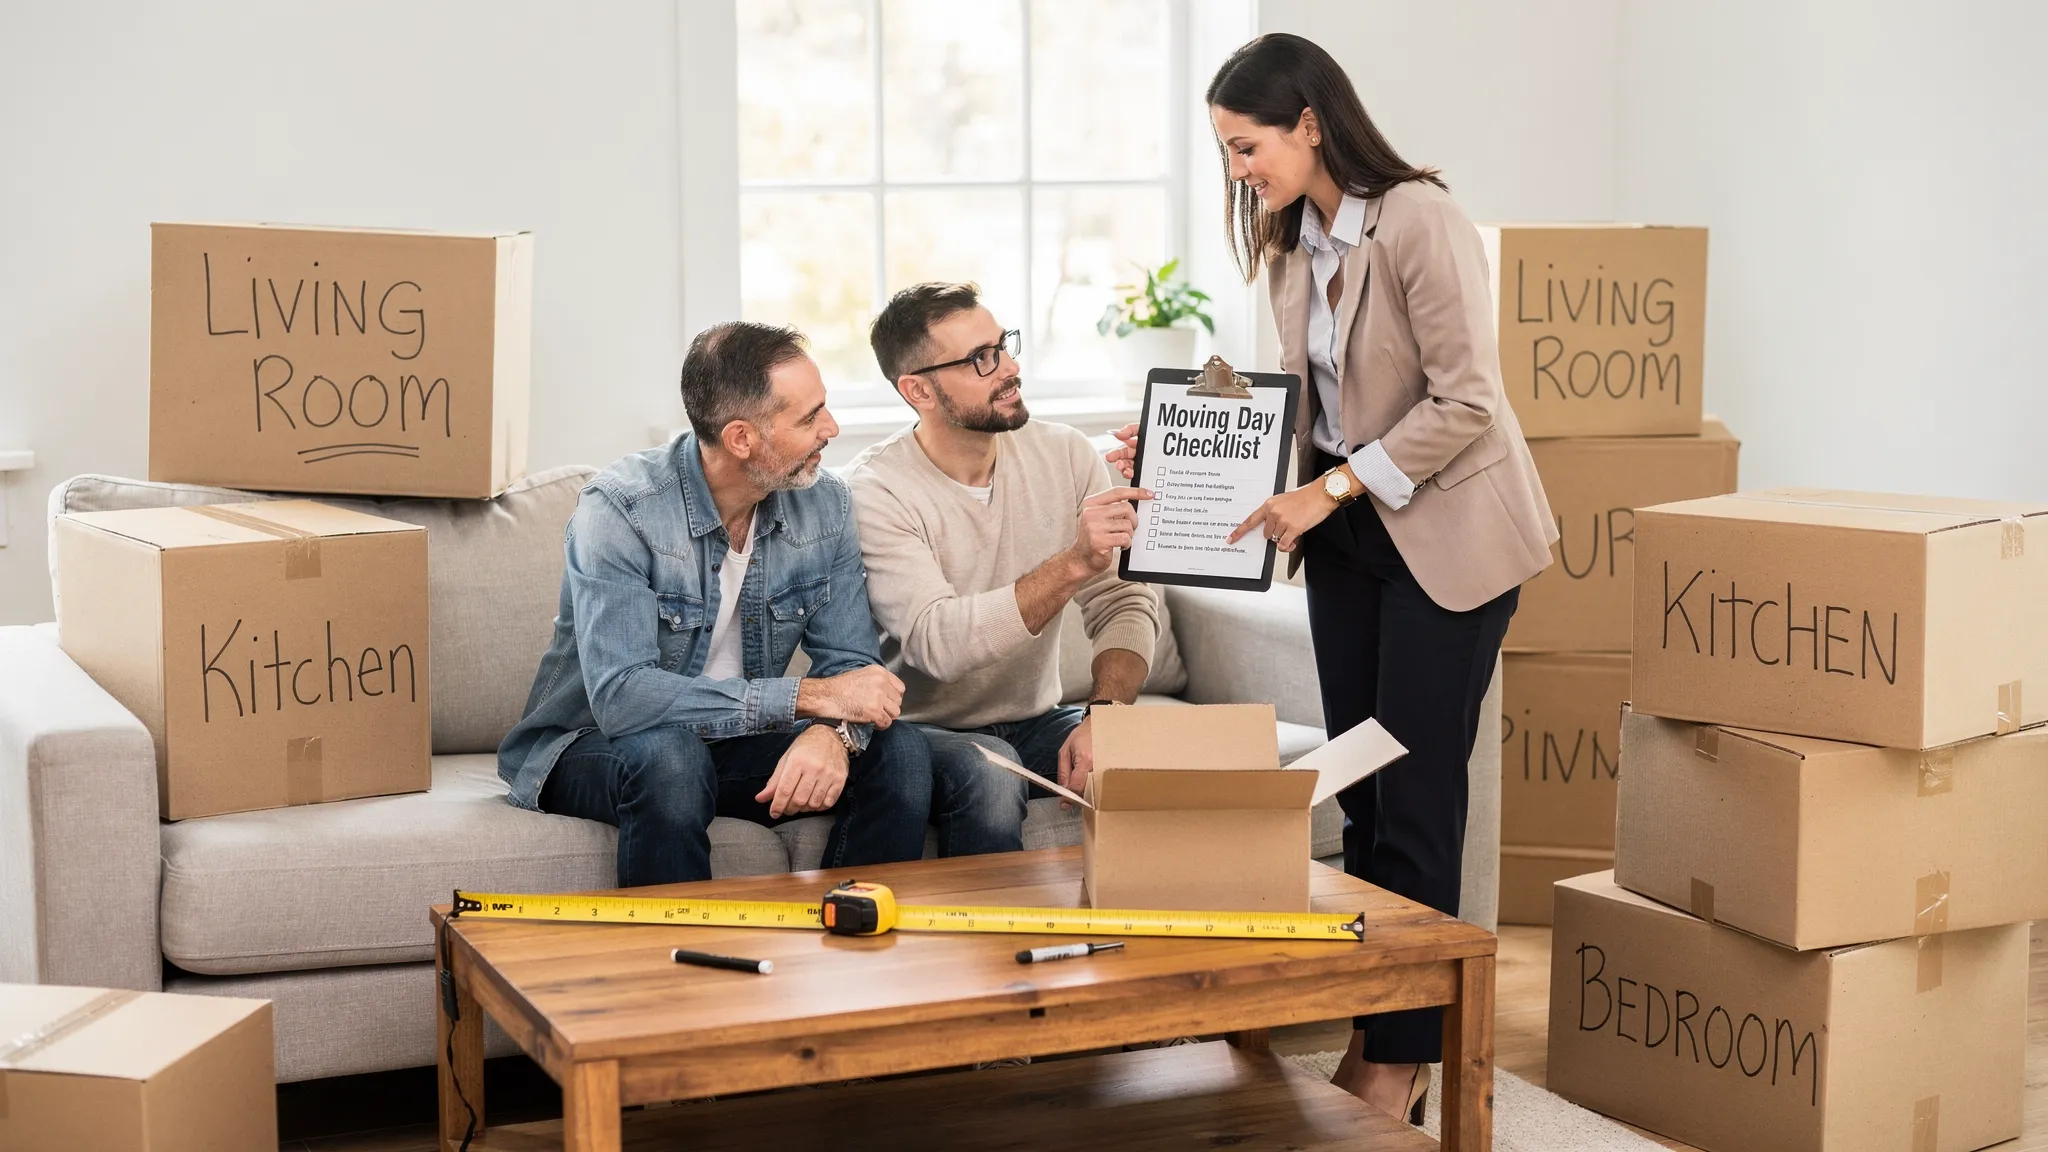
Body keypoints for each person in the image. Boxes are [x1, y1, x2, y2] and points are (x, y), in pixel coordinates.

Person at [1109, 34, 1556, 1124]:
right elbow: (1302, 394)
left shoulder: (1418, 220)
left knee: (1414, 799)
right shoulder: (1286, 240)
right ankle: (1373, 1022)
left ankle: (1399, 1061)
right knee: (1359, 792)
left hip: (1446, 541)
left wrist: (1333, 490)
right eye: (1223, 151)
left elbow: (1463, 403)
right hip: (1354, 539)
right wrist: (1183, 439)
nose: (1236, 170)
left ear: (1310, 122)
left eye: (1245, 145)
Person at [498, 322, 933, 888]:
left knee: (901, 753)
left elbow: (851, 668)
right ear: (741, 439)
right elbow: (623, 698)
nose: (832, 429)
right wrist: (809, 698)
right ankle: (678, 970)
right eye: (809, 418)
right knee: (671, 759)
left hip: (728, 745)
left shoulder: (825, 504)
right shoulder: (621, 510)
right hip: (589, 747)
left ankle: (846, 955)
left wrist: (832, 734)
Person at [847, 282, 1161, 856]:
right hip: (919, 731)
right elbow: (938, 644)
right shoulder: (876, 490)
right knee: (992, 778)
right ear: (917, 390)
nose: (1010, 368)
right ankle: (991, 944)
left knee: (1158, 764)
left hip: (1039, 718)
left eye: (1003, 345)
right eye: (980, 360)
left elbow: (1124, 601)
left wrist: (1108, 716)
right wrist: (1071, 565)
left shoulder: (1066, 453)